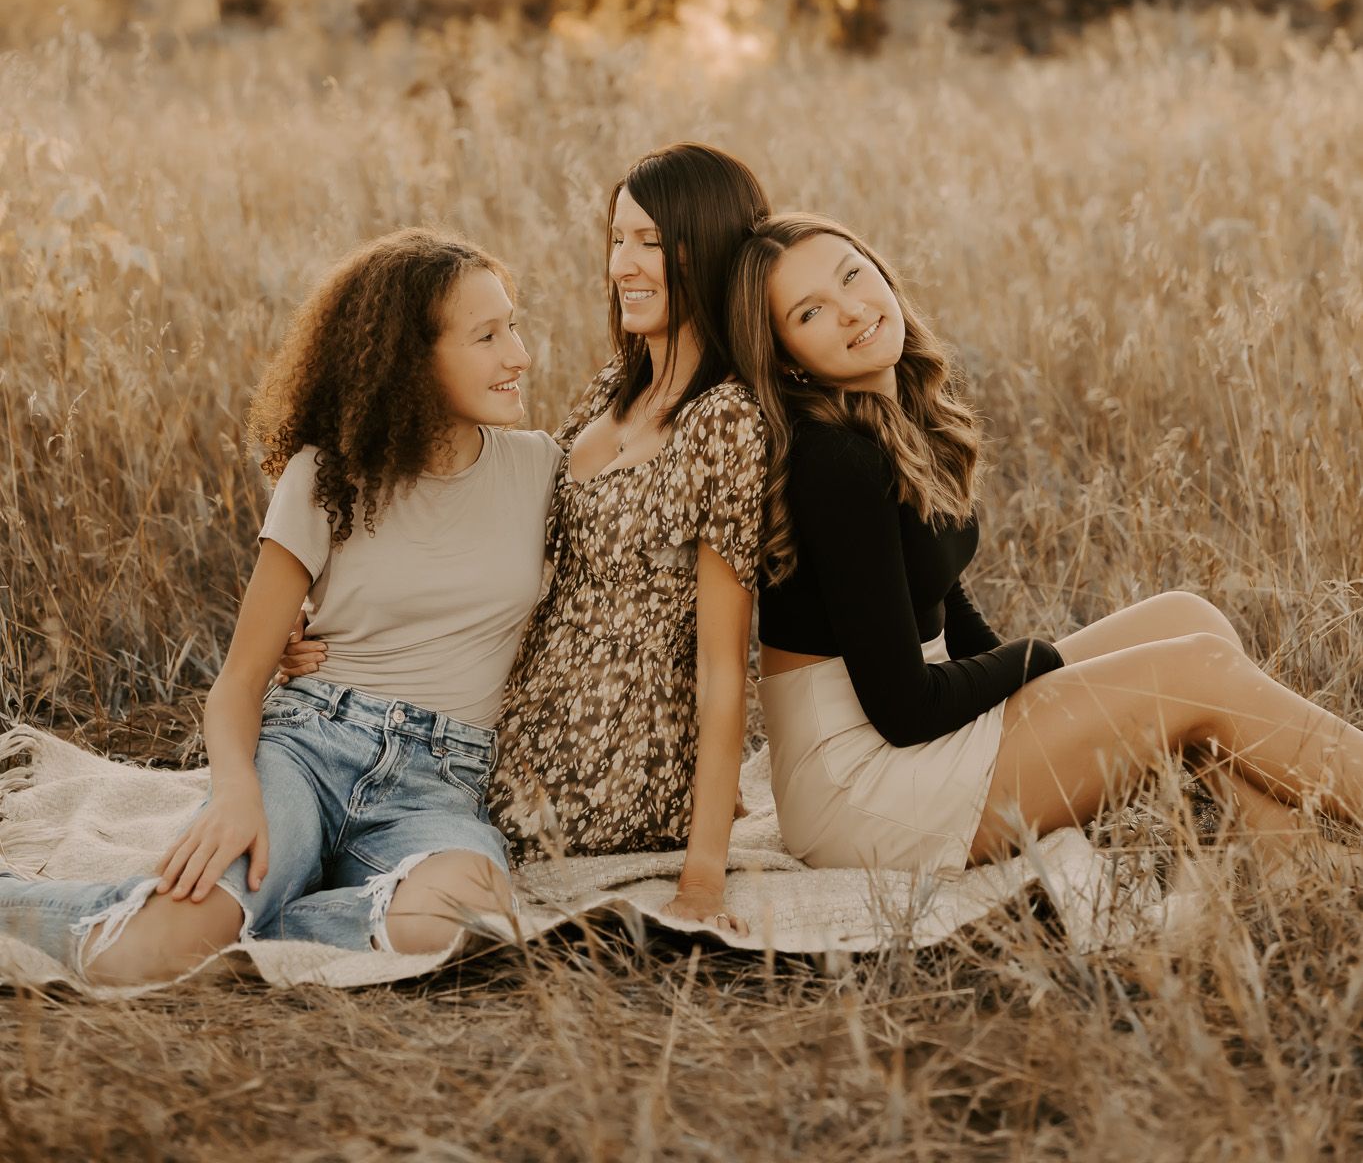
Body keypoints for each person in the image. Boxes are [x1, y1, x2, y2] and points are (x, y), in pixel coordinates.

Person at [0, 228, 562, 988]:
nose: (518, 355)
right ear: (409, 360)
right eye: (487, 336)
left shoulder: (542, 469)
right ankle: (149, 916)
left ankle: (265, 914)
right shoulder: (325, 477)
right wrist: (235, 794)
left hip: (440, 781)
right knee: (150, 954)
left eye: (514, 326)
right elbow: (238, 681)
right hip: (308, 749)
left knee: (468, 923)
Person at [726, 212, 1363, 878]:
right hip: (863, 794)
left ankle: (1288, 855)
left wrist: (1061, 699)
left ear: (879, 268)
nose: (852, 310)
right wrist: (1040, 662)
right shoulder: (832, 463)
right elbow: (904, 710)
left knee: (1185, 619)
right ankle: (1295, 852)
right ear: (788, 361)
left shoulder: (897, 418)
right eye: (810, 312)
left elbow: (944, 609)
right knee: (1192, 670)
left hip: (909, 739)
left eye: (851, 274)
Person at [284, 143, 771, 930]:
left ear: (711, 248)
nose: (625, 265)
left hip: (608, 760)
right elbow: (487, 526)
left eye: (652, 242)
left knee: (384, 849)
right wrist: (316, 619)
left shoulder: (724, 421)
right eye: (617, 239)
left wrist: (703, 879)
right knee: (340, 805)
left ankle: (287, 909)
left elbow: (723, 666)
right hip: (497, 733)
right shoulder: (615, 386)